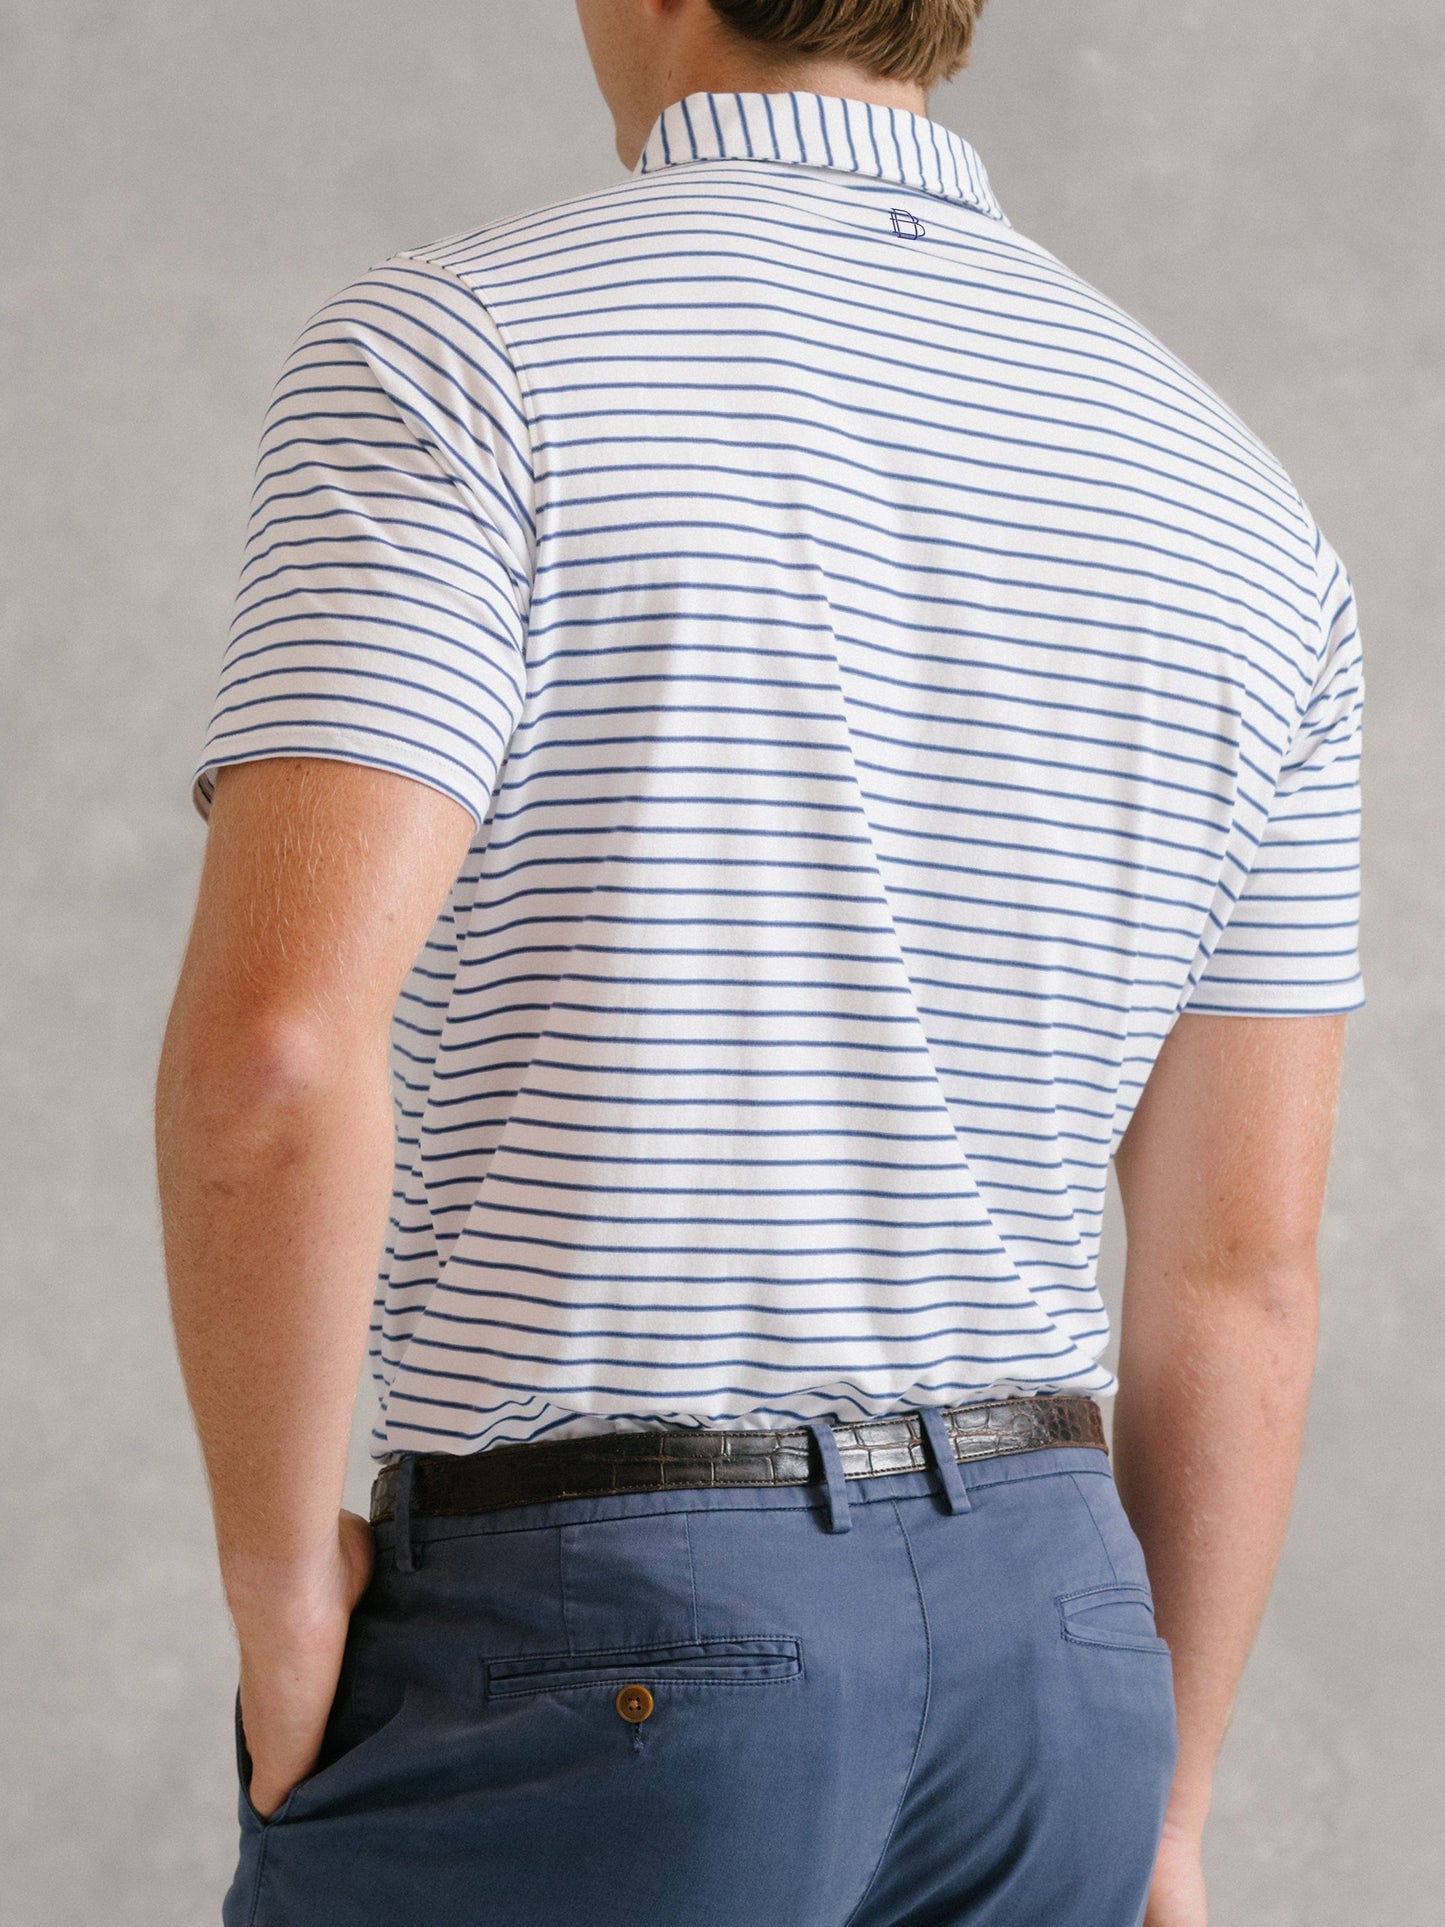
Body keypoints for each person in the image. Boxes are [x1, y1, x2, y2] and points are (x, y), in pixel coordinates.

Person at [155, 2, 1364, 1922]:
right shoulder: (1237, 503)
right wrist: (1166, 1792)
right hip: (1055, 1654)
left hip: (609, 1634)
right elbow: (1241, 1272)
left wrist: (283, 1590)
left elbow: (279, 1058)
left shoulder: (461, 356)